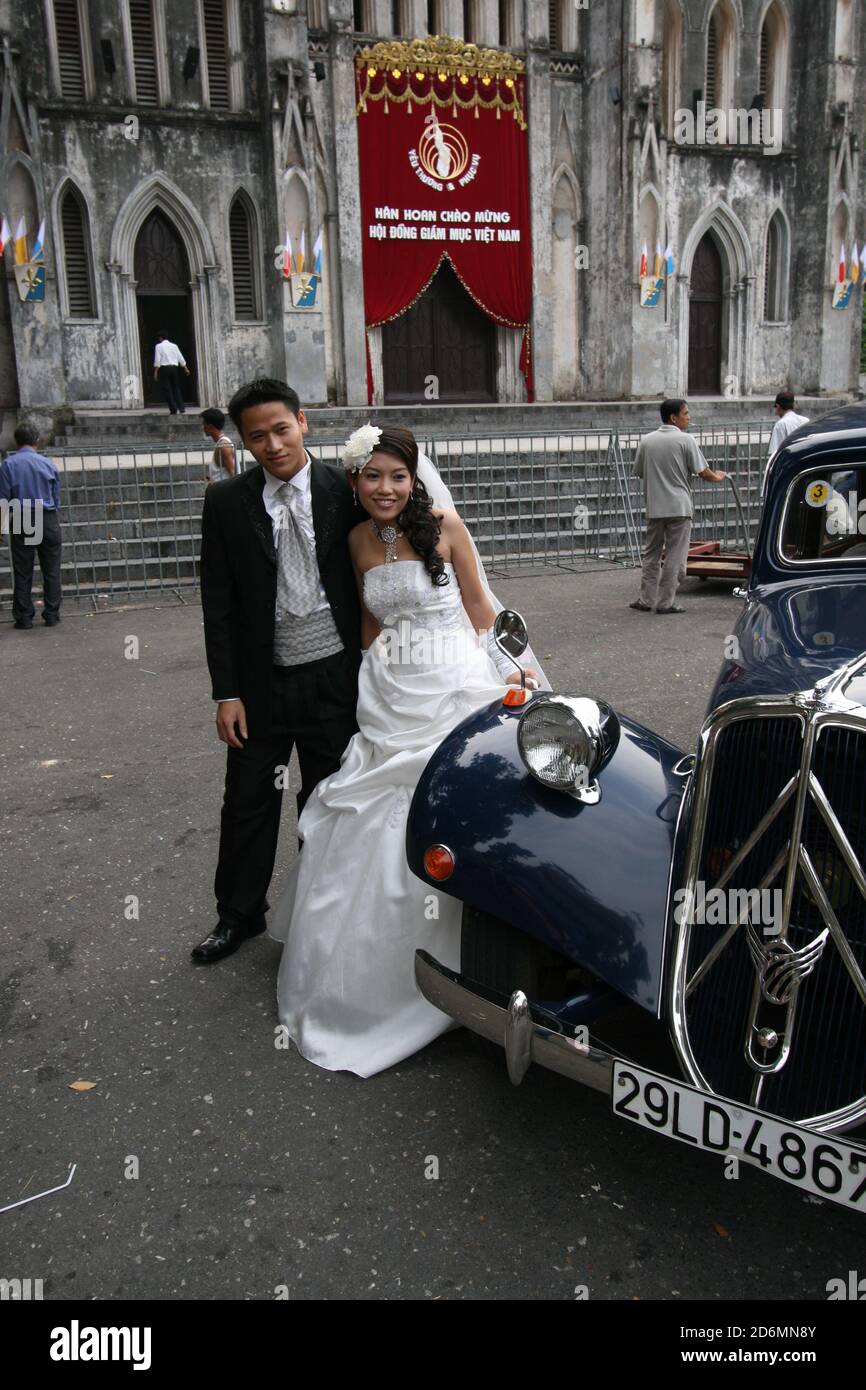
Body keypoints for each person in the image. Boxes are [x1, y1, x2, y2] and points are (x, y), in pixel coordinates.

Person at [267, 423, 538, 1078]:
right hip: (391, 687)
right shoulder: (357, 539)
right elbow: (370, 621)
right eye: (371, 476)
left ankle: (470, 962)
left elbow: (478, 607)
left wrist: (514, 667)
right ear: (355, 482)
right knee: (363, 806)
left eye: (397, 476)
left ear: (414, 479)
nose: (385, 489)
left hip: (451, 677)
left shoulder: (444, 526)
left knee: (450, 800)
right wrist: (367, 674)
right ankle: (358, 977)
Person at [194, 378, 363, 965]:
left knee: (326, 802)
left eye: (281, 429)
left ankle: (322, 912)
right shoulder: (225, 502)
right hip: (260, 685)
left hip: (335, 678)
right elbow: (217, 602)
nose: (271, 444)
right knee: (246, 803)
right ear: (242, 440)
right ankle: (238, 915)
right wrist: (227, 693)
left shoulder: (347, 489)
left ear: (304, 423)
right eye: (256, 436)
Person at [630, 399, 726, 615]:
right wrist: (718, 476)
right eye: (686, 413)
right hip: (679, 507)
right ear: (674, 417)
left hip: (655, 506)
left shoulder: (647, 441)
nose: (689, 417)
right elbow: (703, 472)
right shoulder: (685, 440)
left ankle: (646, 599)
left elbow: (640, 471)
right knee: (675, 555)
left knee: (651, 554)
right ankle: (666, 602)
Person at [0, 422, 62, 630]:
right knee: (51, 569)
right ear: (37, 441)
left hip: (22, 514)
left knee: (23, 570)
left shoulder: (8, 464)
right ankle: (52, 614)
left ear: (17, 442)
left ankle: (24, 617)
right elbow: (56, 496)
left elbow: (3, 499)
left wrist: (1, 528)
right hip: (47, 516)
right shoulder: (48, 463)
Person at [763, 391, 810, 494]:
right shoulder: (806, 420)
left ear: (778, 406)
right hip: (806, 465)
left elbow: (775, 453)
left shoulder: (780, 425)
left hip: (790, 468)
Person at [153, 332, 190, 415]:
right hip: (174, 368)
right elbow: (180, 357)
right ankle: (181, 408)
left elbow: (157, 360)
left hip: (164, 369)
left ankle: (173, 409)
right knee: (176, 388)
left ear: (160, 338)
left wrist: (155, 372)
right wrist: (185, 368)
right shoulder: (174, 346)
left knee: (167, 389)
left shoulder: (158, 346)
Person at [200, 407, 237, 483]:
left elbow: (233, 474)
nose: (203, 428)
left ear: (210, 427)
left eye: (204, 425)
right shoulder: (220, 444)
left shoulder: (224, 446)